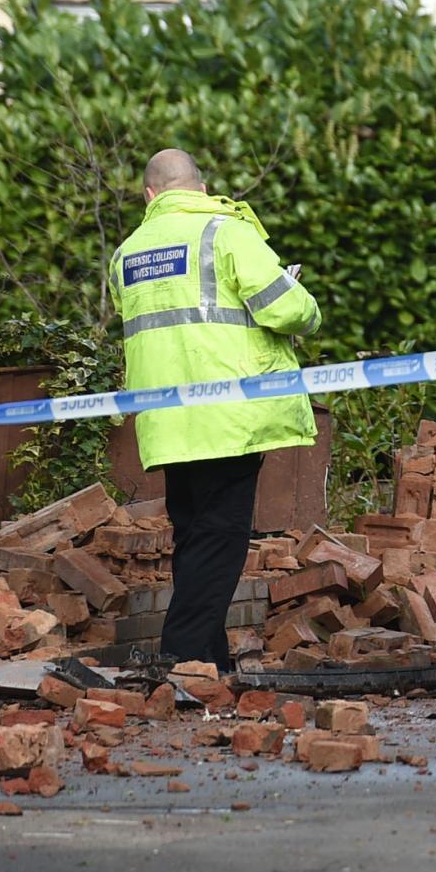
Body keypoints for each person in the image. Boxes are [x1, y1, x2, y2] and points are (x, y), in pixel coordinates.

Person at [109, 150, 319, 672]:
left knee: (195, 538)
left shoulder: (126, 254)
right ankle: (182, 655)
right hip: (228, 416)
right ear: (201, 188)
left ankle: (210, 658)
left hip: (168, 422)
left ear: (150, 196)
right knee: (220, 542)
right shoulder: (224, 232)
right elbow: (287, 307)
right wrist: (307, 306)